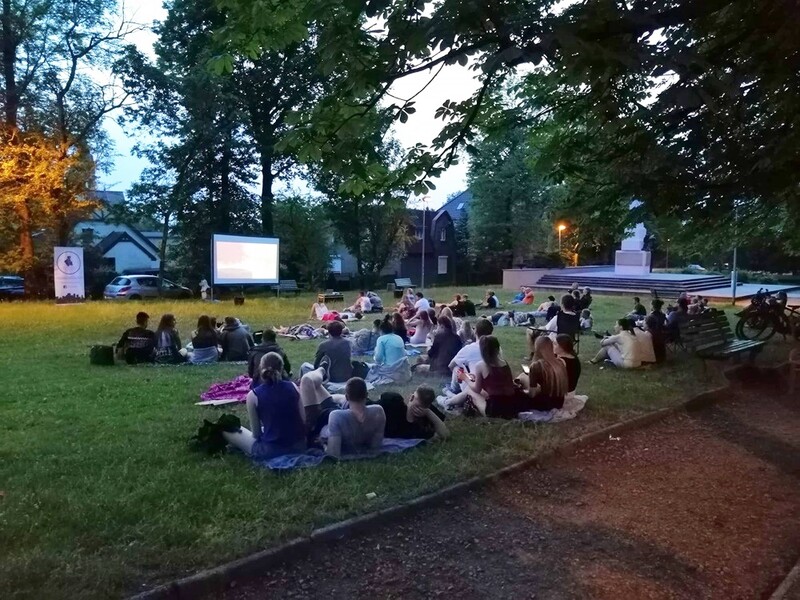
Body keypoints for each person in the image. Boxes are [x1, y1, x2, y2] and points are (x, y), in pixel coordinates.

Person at [222, 353, 306, 459]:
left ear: (261, 369)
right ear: (282, 368)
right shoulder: (293, 387)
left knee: (226, 428)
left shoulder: (253, 395)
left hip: (271, 451)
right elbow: (303, 420)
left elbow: (256, 434)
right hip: (299, 446)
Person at [452, 335, 533, 418]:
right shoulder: (504, 363)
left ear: (482, 350)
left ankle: (448, 402)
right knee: (482, 392)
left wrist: (466, 378)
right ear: (498, 348)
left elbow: (476, 389)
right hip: (511, 404)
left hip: (494, 409)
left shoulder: (481, 365)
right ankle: (450, 400)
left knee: (469, 390)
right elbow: (502, 385)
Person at [323, 378, 386, 458]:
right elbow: (376, 446)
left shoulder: (336, 416)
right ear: (366, 395)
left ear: (346, 397)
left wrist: (324, 446)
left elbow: (333, 454)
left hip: (332, 430)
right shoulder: (378, 412)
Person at [378, 386, 449, 440]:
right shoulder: (395, 405)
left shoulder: (426, 414)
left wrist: (428, 412)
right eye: (417, 406)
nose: (418, 409)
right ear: (411, 397)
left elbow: (445, 435)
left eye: (422, 407)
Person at [518, 336, 569, 411]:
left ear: (537, 348)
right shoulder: (561, 362)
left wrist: (525, 392)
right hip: (559, 403)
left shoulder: (536, 366)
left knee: (520, 387)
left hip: (544, 405)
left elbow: (532, 395)